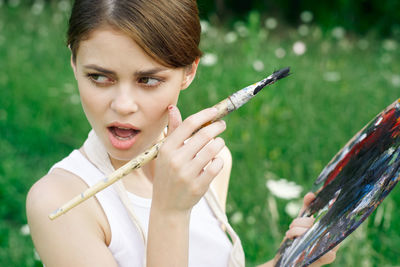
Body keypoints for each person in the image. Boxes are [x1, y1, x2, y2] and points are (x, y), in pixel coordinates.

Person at [26, 1, 338, 266]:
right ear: (73, 63)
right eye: (98, 77)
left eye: (147, 80)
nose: (122, 105)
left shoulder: (209, 164)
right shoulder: (57, 202)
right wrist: (170, 211)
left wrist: (289, 259)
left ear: (189, 72)